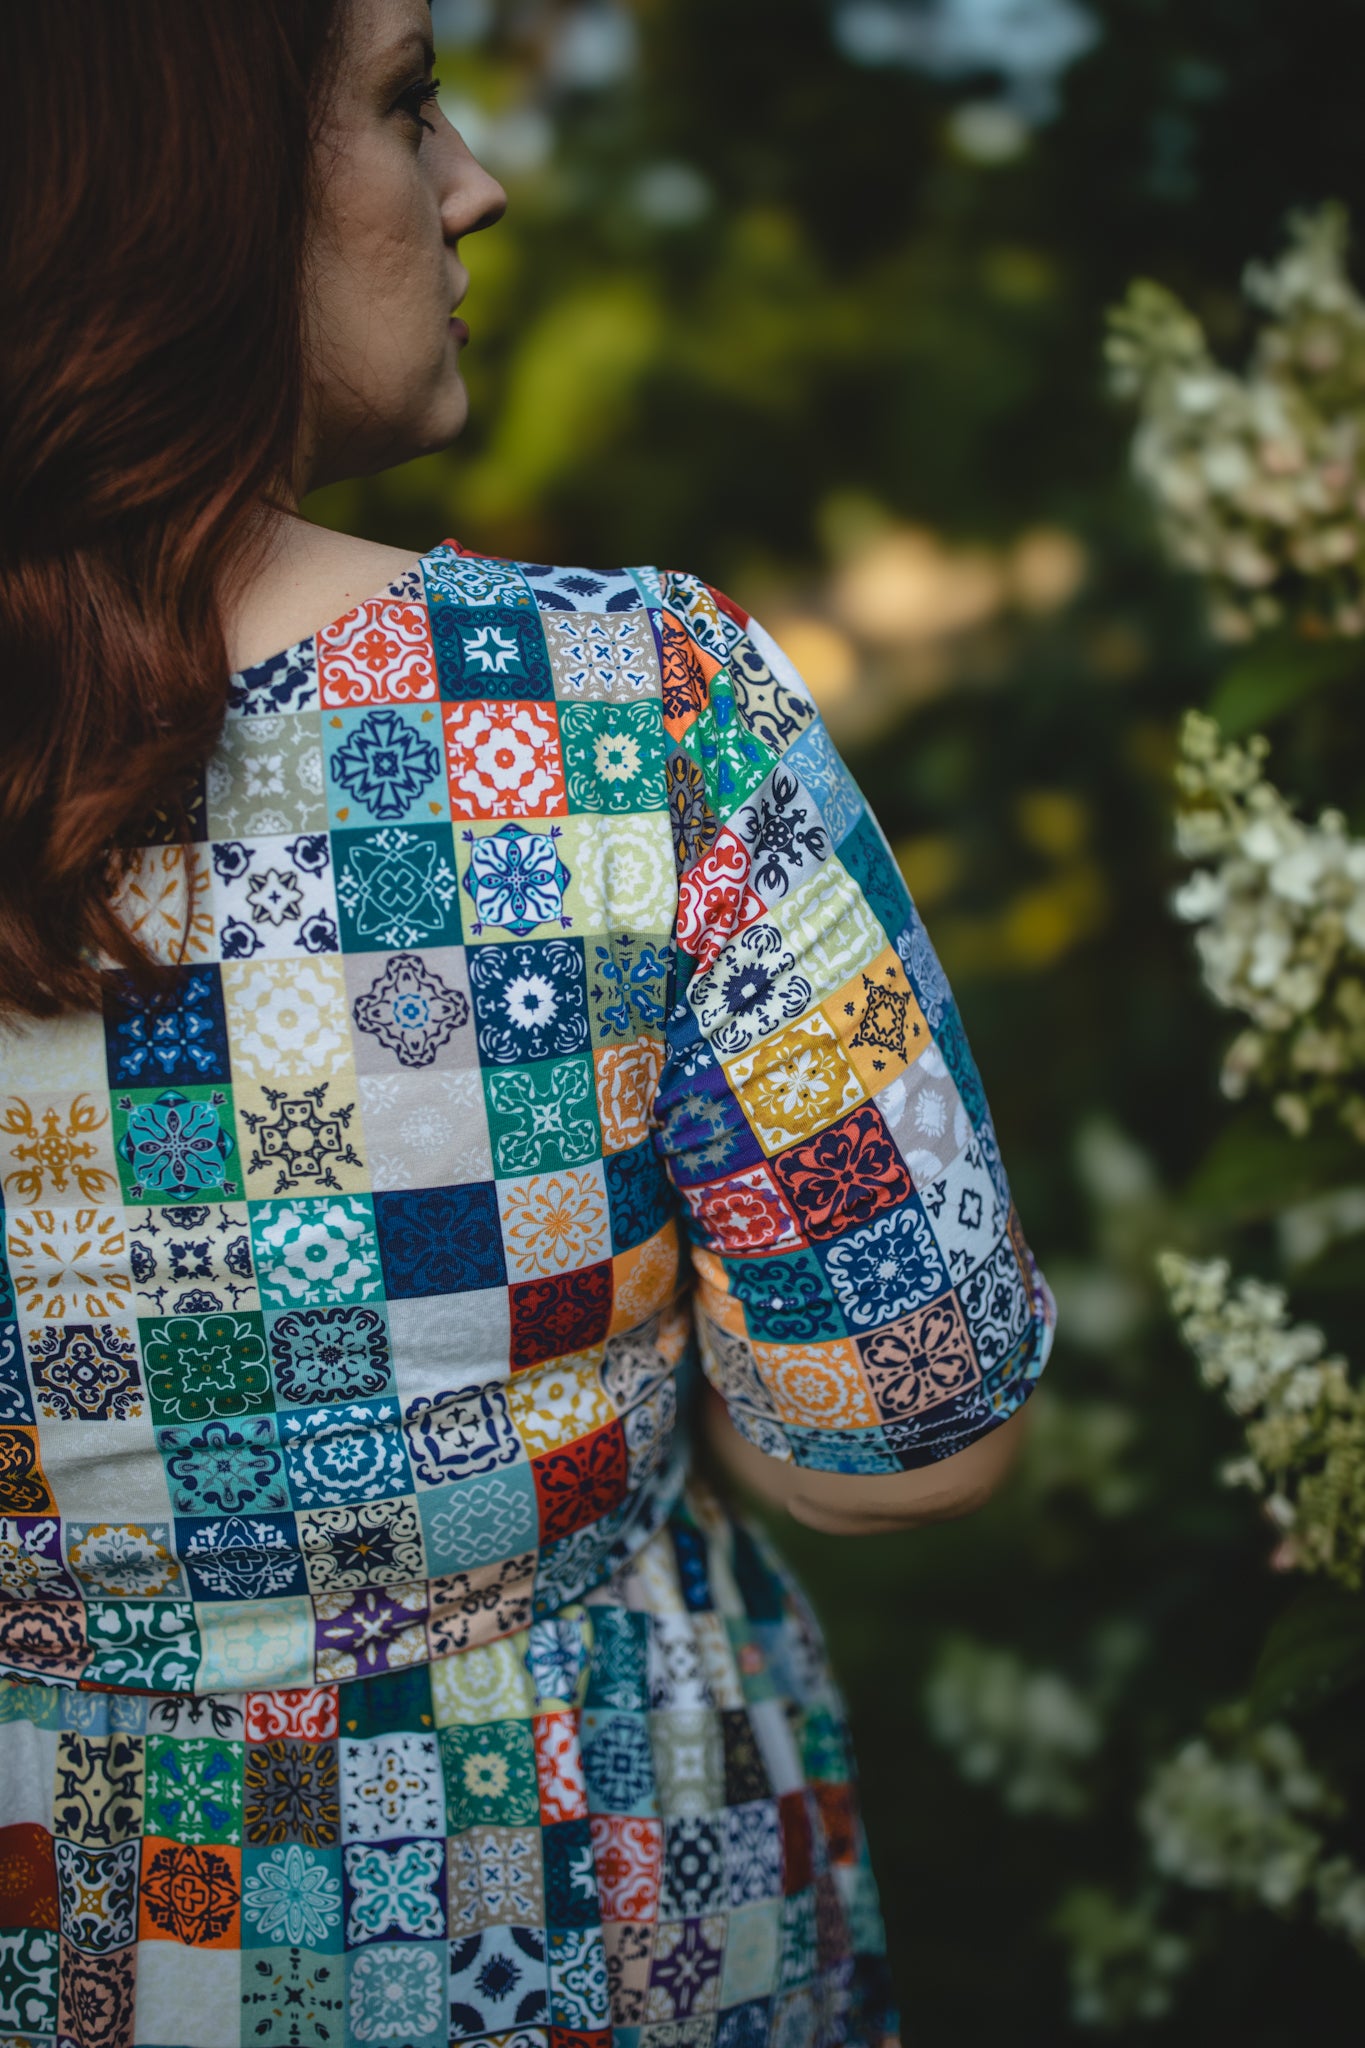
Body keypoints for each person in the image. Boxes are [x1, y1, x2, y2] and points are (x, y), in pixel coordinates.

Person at [0, 3, 1055, 2043]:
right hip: (588, 1908)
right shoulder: (622, 715)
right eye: (403, 101)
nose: (473, 180)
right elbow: (910, 1431)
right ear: (175, 187)